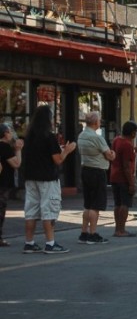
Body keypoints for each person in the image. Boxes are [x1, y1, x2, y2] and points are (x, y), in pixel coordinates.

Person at [21, 105, 77, 253]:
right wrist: (67, 150)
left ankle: (29, 242)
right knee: (49, 210)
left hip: (30, 177)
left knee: (31, 211)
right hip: (47, 178)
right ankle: (50, 243)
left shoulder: (29, 136)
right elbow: (58, 159)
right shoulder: (48, 136)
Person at [77, 111, 116, 245]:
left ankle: (84, 232)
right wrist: (113, 154)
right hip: (97, 171)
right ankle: (93, 233)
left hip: (85, 169)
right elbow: (109, 155)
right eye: (99, 120)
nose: (100, 122)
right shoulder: (97, 137)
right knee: (96, 204)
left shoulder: (81, 136)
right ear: (95, 122)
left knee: (87, 204)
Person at [110, 121, 137, 237]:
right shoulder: (127, 145)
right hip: (123, 178)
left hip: (114, 175)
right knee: (125, 204)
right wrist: (131, 183)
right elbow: (126, 166)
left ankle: (117, 229)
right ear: (132, 133)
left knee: (117, 203)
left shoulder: (116, 140)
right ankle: (121, 230)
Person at [0, 123, 23, 246]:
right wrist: (18, 150)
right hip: (3, 182)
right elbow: (16, 164)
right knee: (1, 209)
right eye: (9, 132)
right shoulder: (4, 147)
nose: (11, 134)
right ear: (5, 134)